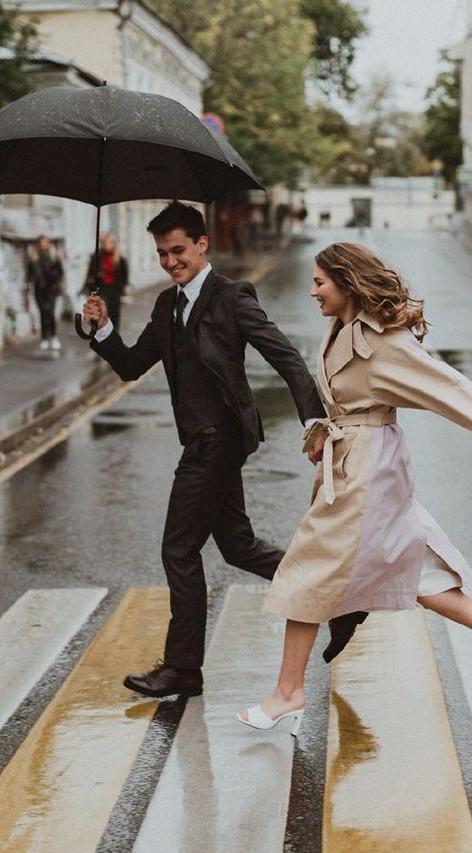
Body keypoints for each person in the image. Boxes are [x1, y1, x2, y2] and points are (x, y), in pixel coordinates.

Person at [237, 242, 472, 735]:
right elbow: (340, 398)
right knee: (416, 568)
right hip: (355, 460)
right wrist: (321, 429)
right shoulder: (339, 329)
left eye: (320, 282)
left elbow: (443, 384)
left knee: (305, 575)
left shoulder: (382, 342)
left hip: (368, 472)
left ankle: (287, 694)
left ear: (345, 283)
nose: (313, 290)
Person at [82, 202, 364, 698]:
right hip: (200, 439)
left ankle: (183, 668)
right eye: (163, 254)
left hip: (220, 440)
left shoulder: (231, 297)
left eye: (179, 251)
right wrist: (101, 329)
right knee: (237, 546)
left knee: (179, 548)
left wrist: (314, 419)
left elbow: (284, 355)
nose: (171, 262)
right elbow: (130, 366)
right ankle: (340, 600)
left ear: (202, 244)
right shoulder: (167, 307)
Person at [84, 234, 129, 332]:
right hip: (102, 288)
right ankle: (99, 333)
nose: (108, 244)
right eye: (106, 242)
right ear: (102, 244)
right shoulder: (97, 257)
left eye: (110, 242)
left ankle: (114, 334)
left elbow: (124, 275)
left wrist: (122, 287)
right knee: (101, 313)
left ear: (114, 244)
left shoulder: (119, 258)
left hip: (114, 289)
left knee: (114, 313)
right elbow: (90, 273)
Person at [27, 235, 64, 351]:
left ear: (48, 244)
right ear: (38, 245)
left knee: (51, 313)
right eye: (41, 242)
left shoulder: (54, 257)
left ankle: (53, 337)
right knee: (43, 313)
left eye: (45, 242)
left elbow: (60, 273)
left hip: (51, 289)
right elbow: (29, 274)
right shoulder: (34, 258)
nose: (43, 244)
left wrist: (53, 275)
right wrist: (28, 284)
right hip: (39, 290)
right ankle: (44, 338)